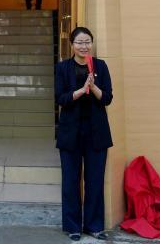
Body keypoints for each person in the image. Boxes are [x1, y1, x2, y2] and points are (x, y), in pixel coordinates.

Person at [54, 27, 113, 241]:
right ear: (72, 45)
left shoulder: (101, 66)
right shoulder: (63, 68)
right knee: (70, 182)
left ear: (92, 43)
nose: (84, 46)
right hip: (70, 132)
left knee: (95, 182)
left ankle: (94, 226)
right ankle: (73, 227)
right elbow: (60, 98)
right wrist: (80, 91)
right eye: (79, 42)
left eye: (87, 42)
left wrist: (94, 87)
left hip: (96, 132)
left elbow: (107, 98)